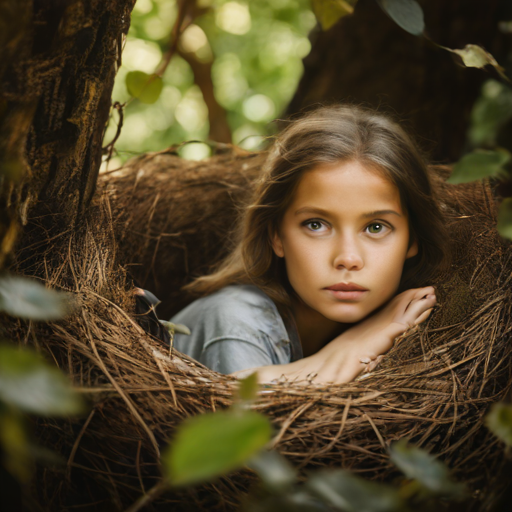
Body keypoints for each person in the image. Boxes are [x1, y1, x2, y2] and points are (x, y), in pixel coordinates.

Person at [168, 104, 449, 384]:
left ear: (413, 239)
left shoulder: (401, 317)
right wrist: (348, 350)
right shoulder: (234, 320)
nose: (348, 258)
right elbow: (241, 412)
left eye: (375, 227)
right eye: (316, 225)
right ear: (275, 236)